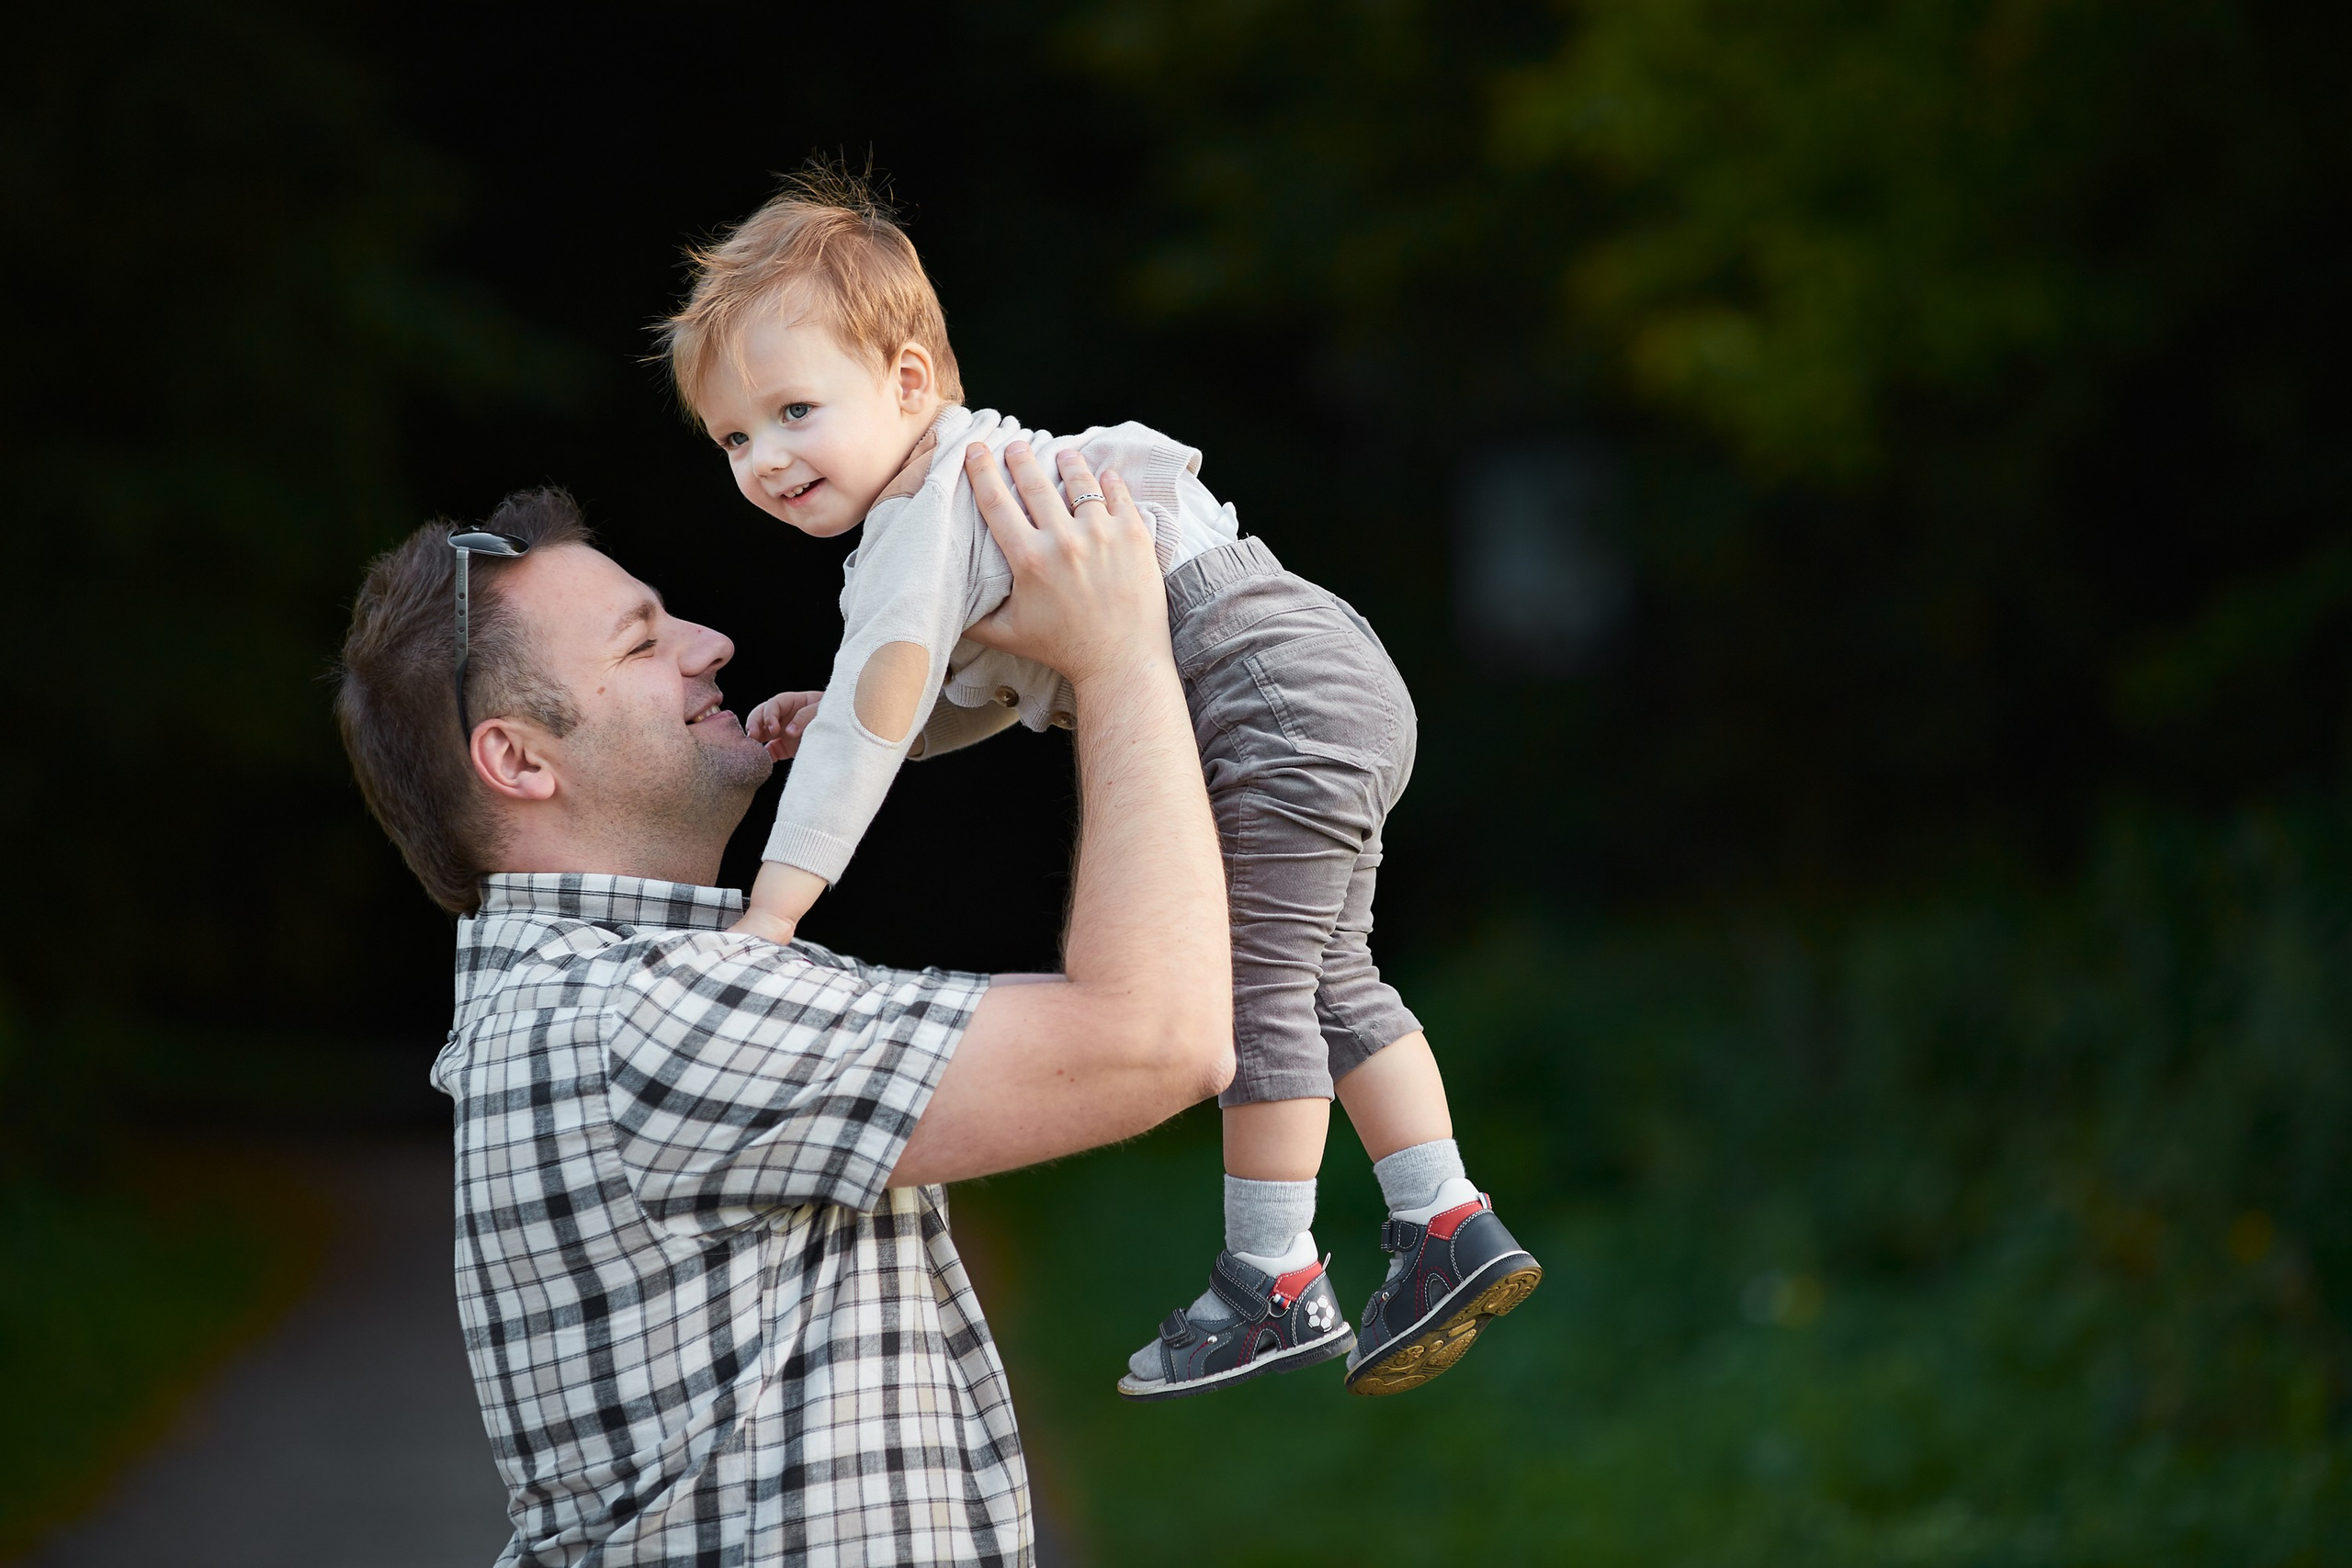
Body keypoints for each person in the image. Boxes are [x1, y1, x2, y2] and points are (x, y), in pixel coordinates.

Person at [659, 170, 1542, 1403]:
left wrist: (773, 912)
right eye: (735, 437)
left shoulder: (925, 506)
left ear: (909, 382)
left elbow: (880, 704)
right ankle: (1445, 1217)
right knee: (1332, 972)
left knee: (1256, 986)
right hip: (1318, 659)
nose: (766, 458)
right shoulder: (972, 478)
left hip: (1258, 689)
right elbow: (924, 702)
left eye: (795, 410)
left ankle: (1272, 1275)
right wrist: (880, 724)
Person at [333, 452, 1229, 1565]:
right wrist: (1117, 654)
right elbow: (1152, 1042)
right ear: (517, 759)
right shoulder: (638, 1019)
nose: (709, 646)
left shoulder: (596, 1001)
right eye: (640, 641)